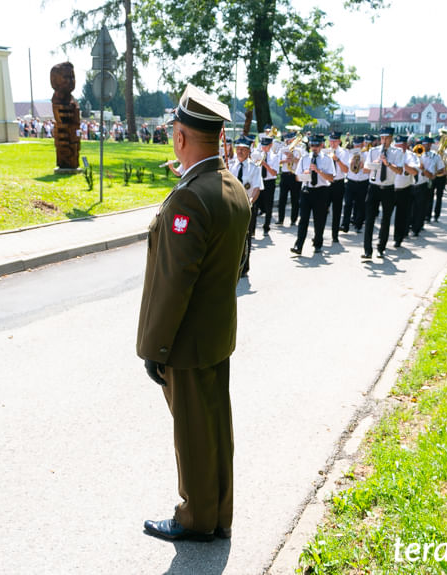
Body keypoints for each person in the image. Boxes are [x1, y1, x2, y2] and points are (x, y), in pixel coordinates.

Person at [138, 84, 251, 543]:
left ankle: (197, 518)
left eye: (174, 133)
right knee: (215, 429)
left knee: (192, 435)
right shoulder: (232, 187)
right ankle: (217, 512)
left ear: (182, 137)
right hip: (216, 332)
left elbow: (173, 283)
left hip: (185, 340)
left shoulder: (191, 196)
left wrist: (155, 347)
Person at [290, 134, 335, 255]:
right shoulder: (304, 159)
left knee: (319, 220)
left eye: (316, 145)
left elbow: (331, 178)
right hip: (307, 191)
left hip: (321, 191)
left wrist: (318, 171)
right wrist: (304, 174)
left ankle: (318, 243)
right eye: (312, 145)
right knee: (303, 219)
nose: (314, 148)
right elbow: (297, 178)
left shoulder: (327, 159)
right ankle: (298, 245)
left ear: (321, 145)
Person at [362, 127, 402, 259]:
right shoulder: (373, 151)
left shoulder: (397, 152)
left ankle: (381, 248)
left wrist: (388, 163)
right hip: (373, 187)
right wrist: (373, 164)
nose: (384, 141)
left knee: (385, 220)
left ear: (391, 138)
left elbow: (400, 171)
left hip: (388, 188)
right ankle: (367, 250)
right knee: (369, 219)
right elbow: (365, 171)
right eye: (382, 138)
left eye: (387, 138)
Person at [231, 136, 263, 275]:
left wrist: (250, 202)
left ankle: (244, 267)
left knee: (245, 238)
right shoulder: (231, 165)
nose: (240, 152)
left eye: (243, 150)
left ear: (248, 151)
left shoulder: (254, 168)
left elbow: (256, 188)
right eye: (238, 149)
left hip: (246, 206)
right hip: (232, 205)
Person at [392, 135, 420, 247]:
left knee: (401, 215)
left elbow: (414, 171)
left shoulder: (410, 155)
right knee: (386, 214)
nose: (399, 148)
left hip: (404, 188)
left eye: (402, 146)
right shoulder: (391, 154)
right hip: (390, 187)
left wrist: (402, 163)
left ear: (406, 145)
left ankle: (398, 238)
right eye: (397, 146)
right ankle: (382, 238)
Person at [341, 135, 370, 233]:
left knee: (361, 204)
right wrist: (352, 163)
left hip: (363, 182)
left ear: (363, 144)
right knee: (348, 204)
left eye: (359, 144)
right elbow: (346, 168)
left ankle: (358, 225)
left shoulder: (367, 154)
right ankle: (345, 225)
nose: (357, 146)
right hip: (351, 181)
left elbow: (370, 170)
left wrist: (363, 166)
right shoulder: (350, 153)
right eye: (355, 144)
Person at [325, 131, 349, 243]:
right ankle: (319, 234)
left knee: (337, 210)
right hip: (326, 183)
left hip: (338, 183)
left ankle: (335, 234)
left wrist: (337, 160)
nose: (332, 143)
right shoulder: (324, 152)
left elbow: (346, 170)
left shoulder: (344, 153)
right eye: (331, 141)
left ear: (339, 141)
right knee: (322, 209)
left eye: (335, 141)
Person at [277, 131, 302, 226]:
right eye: (287, 139)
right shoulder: (282, 150)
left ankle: (293, 220)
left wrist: (293, 159)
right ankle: (280, 219)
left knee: (295, 199)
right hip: (284, 175)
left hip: (294, 175)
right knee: (282, 198)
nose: (288, 141)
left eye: (290, 139)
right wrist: (285, 160)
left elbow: (302, 162)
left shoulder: (299, 149)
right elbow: (277, 161)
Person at [256, 135, 279, 235]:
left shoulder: (274, 157)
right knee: (256, 204)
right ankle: (252, 229)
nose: (263, 148)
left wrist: (265, 165)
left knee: (268, 205)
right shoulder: (257, 155)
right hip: (259, 180)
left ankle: (266, 227)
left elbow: (274, 173)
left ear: (270, 145)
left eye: (266, 146)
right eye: (262, 146)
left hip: (269, 182)